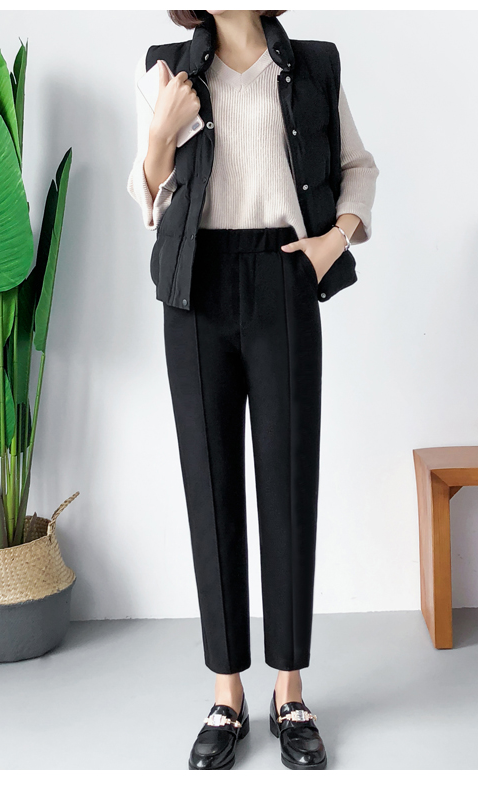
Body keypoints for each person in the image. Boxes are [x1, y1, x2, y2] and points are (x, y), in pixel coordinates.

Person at [127, 9, 378, 770]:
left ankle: (290, 690)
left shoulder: (315, 65)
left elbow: (359, 166)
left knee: (288, 483)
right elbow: (149, 196)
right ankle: (226, 693)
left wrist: (334, 240)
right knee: (210, 488)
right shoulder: (166, 68)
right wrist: (162, 128)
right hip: (195, 288)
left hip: (284, 276)